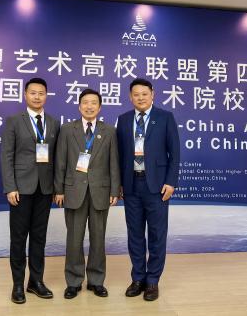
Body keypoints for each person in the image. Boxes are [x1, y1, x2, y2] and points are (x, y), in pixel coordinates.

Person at [116, 78, 180, 301]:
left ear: (152, 94)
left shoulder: (165, 117)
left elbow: (175, 153)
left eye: (144, 93)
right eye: (136, 94)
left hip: (157, 186)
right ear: (130, 96)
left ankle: (153, 281)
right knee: (134, 234)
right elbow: (119, 155)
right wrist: (119, 184)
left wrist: (171, 182)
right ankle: (138, 278)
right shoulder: (124, 119)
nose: (140, 98)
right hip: (131, 185)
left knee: (156, 235)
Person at [54, 88, 121, 299]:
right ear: (79, 106)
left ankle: (96, 281)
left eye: (93, 103)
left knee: (98, 239)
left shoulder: (109, 131)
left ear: (100, 107)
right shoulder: (67, 130)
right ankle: (73, 282)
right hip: (73, 191)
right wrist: (59, 189)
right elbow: (60, 161)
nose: (89, 106)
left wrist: (114, 190)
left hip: (100, 191)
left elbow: (114, 163)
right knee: (74, 239)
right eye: (85, 102)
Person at [0, 77, 60, 304]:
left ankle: (36, 281)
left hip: (44, 189)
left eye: (41, 93)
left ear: (46, 96)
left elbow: (57, 158)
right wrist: (10, 187)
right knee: (18, 238)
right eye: (33, 93)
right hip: (21, 189)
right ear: (25, 95)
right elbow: (6, 156)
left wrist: (56, 187)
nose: (37, 97)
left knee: (39, 237)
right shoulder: (14, 121)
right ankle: (17, 284)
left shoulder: (53, 123)